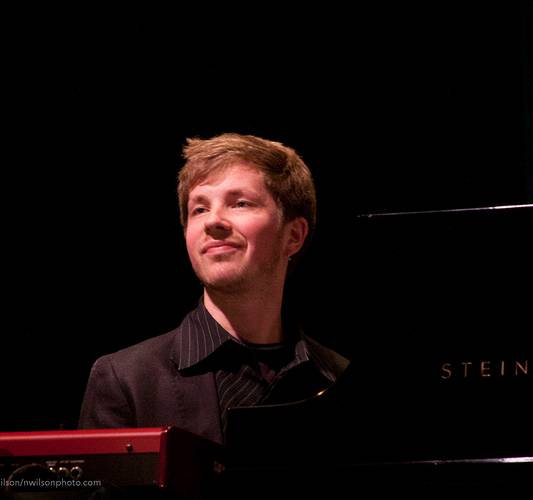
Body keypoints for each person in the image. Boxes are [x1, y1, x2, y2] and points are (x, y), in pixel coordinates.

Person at [78, 133, 348, 444]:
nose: (213, 221)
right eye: (199, 209)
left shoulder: (337, 378)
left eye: (240, 203)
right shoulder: (126, 380)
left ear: (294, 235)